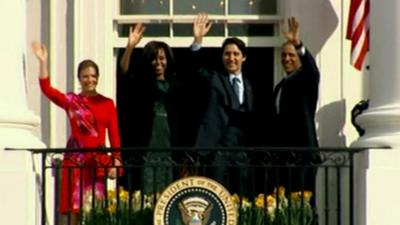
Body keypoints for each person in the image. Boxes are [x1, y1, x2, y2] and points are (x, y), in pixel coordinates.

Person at [32, 42, 122, 225]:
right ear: (79, 78)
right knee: (75, 210)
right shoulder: (72, 101)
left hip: (97, 162)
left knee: (94, 209)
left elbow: (114, 135)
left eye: (93, 76)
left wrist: (116, 160)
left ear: (98, 78)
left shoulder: (107, 103)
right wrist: (43, 62)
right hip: (75, 161)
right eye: (85, 76)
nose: (90, 80)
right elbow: (48, 90)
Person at [191, 14, 254, 194]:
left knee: (243, 198)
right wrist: (198, 40)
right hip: (218, 150)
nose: (231, 58)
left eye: (236, 54)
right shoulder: (214, 79)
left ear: (244, 58)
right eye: (227, 54)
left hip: (242, 152)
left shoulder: (249, 85)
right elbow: (196, 69)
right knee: (218, 196)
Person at [118, 24, 181, 194]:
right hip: (147, 142)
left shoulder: (174, 85)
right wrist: (130, 46)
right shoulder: (141, 82)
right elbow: (123, 72)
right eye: (154, 58)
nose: (158, 63)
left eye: (162, 58)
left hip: (169, 143)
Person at [272, 17, 320, 195]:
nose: (286, 59)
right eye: (283, 55)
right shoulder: (279, 87)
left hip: (303, 154)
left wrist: (298, 45)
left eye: (291, 55)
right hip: (283, 156)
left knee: (303, 204)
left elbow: (312, 70)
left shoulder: (305, 79)